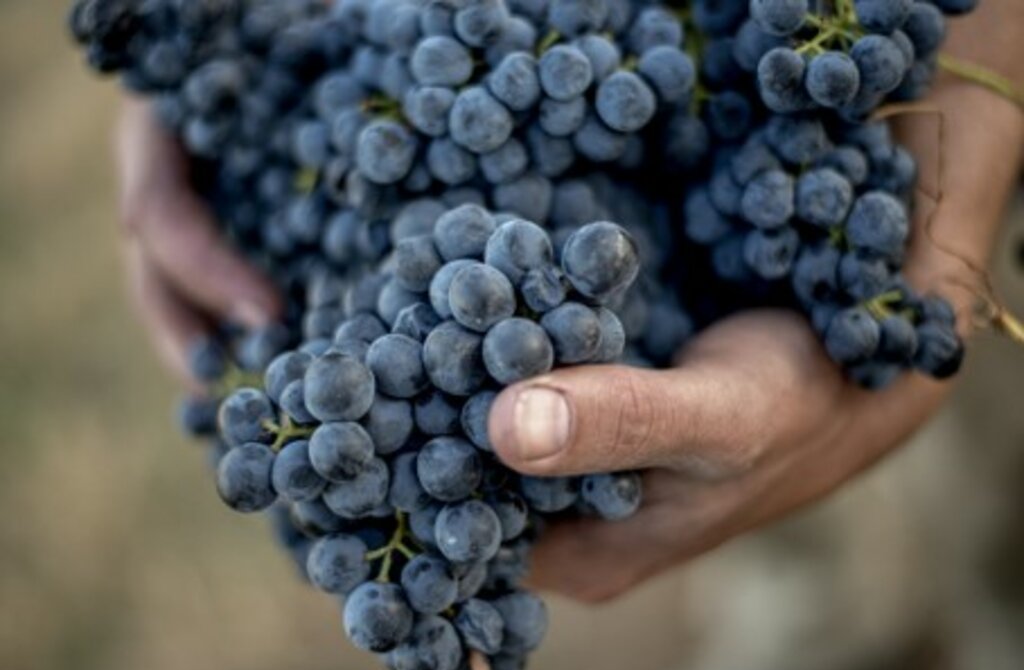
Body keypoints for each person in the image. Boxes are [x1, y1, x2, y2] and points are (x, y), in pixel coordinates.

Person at [116, 1, 1024, 603]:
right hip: (688, 255)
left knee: (989, 518)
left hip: (909, 162)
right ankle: (826, 620)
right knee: (771, 534)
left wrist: (986, 116)